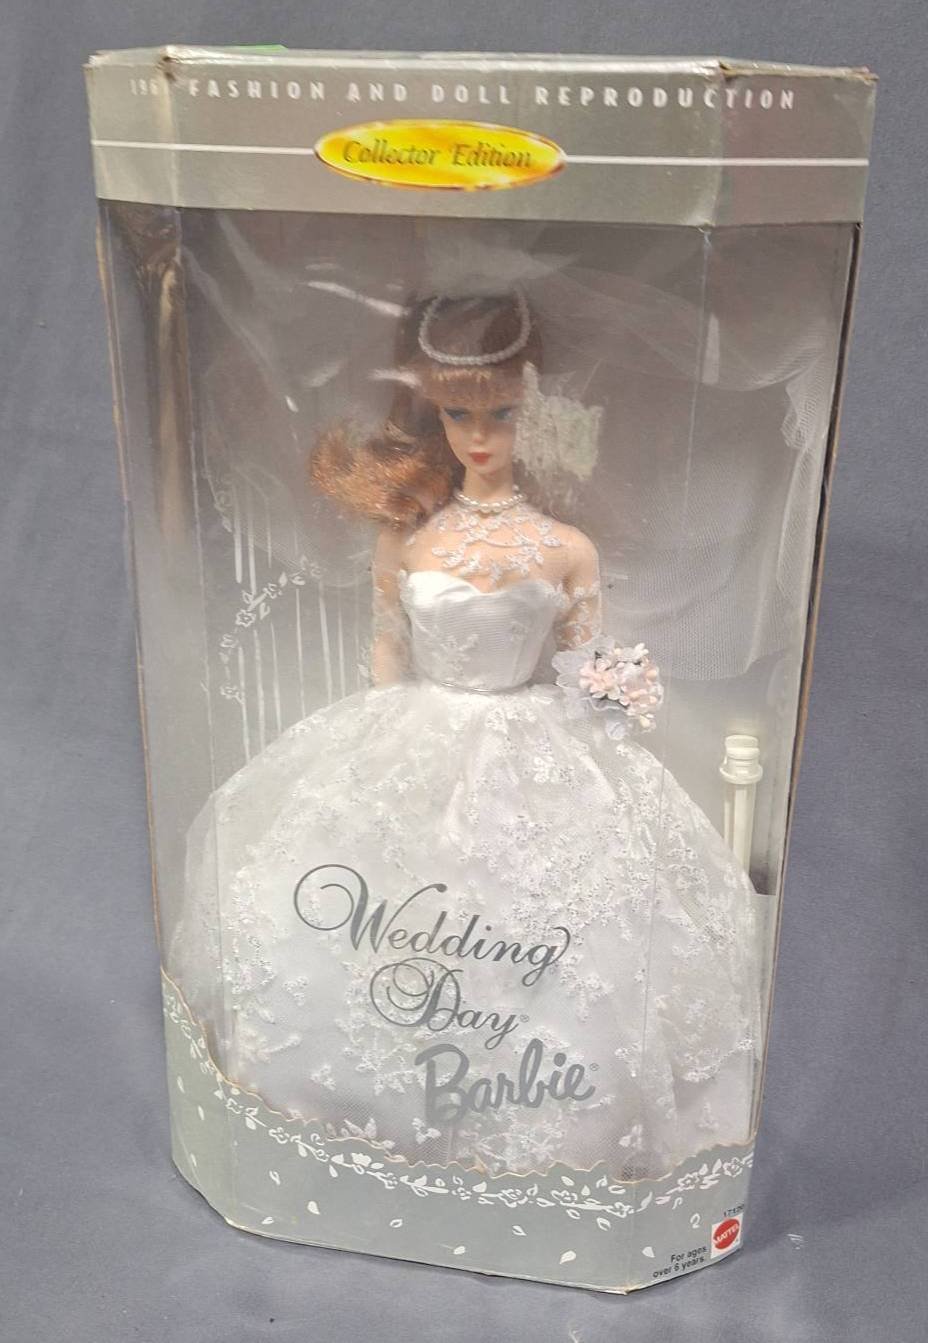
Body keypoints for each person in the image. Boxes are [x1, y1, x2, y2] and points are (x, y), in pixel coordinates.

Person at [167, 289, 761, 1178]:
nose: (479, 436)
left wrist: (611, 699)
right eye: (458, 414)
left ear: (533, 409)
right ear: (433, 414)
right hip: (416, 726)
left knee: (554, 927)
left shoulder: (566, 546)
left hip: (531, 738)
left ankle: (535, 1117)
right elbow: (387, 647)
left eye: (501, 414)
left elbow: (582, 659)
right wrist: (371, 754)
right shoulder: (408, 536)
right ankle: (357, 1106)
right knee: (366, 905)